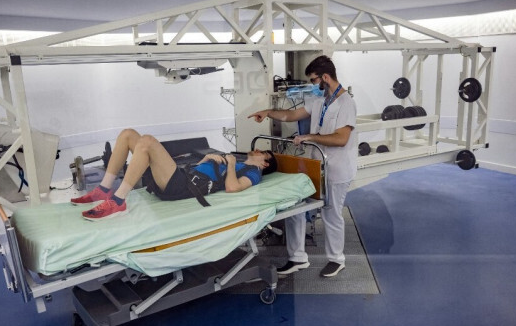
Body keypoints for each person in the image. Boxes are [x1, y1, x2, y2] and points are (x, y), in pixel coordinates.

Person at [248, 55, 357, 278]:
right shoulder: (319, 101)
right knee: (295, 205)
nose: (313, 86)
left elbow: (341, 138)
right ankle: (297, 257)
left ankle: (337, 260)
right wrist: (268, 112)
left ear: (325, 77)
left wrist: (310, 137)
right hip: (314, 165)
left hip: (337, 168)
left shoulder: (346, 103)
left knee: (331, 214)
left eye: (315, 81)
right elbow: (290, 114)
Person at [71, 128, 278, 221]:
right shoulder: (240, 159)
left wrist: (231, 163)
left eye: (262, 153)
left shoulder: (254, 173)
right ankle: (103, 191)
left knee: (149, 141)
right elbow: (205, 171)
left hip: (183, 186)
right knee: (128, 134)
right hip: (183, 175)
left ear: (265, 163)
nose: (257, 151)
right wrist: (204, 161)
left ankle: (118, 200)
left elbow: (233, 187)